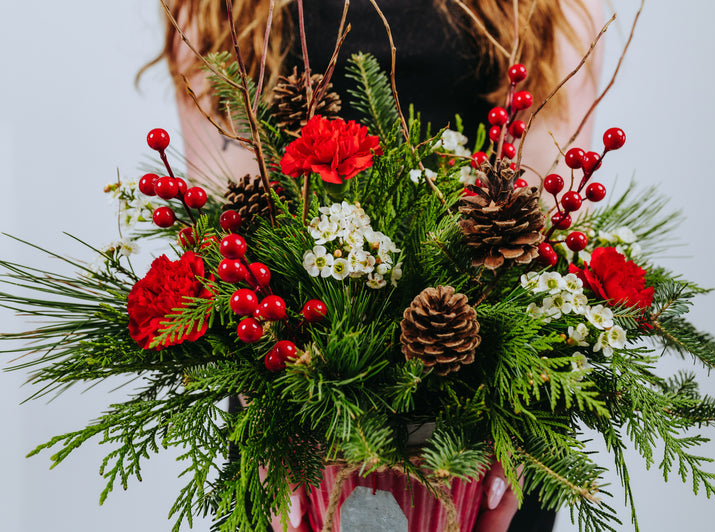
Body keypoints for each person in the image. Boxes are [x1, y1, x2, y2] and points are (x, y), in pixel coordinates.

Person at [148, 1, 605, 530]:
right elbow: (228, 219)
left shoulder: (542, 8)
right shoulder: (220, 8)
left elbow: (547, 217)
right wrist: (271, 416)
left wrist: (516, 422)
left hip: (484, 409)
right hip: (296, 400)